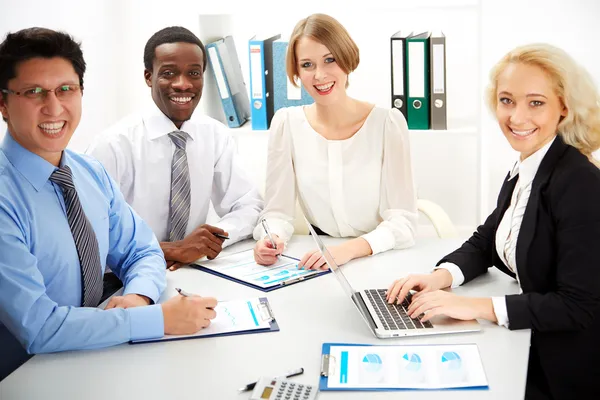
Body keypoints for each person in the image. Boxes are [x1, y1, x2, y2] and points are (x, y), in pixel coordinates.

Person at [0, 28, 217, 381]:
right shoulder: (4, 198)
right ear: (3, 102)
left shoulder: (89, 173)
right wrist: (157, 319)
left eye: (66, 90)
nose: (53, 107)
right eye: (33, 92)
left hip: (97, 357)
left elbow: (143, 251)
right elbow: (38, 327)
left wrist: (138, 297)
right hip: (24, 374)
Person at [387, 43, 600, 399]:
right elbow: (489, 239)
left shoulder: (579, 183)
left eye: (536, 102)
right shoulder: (528, 165)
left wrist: (473, 307)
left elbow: (579, 305)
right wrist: (440, 277)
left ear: (564, 107)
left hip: (562, 369)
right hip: (526, 340)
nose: (516, 117)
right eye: (506, 100)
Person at [87, 26, 263, 272]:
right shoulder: (113, 145)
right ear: (149, 77)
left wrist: (208, 242)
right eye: (169, 73)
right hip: (121, 275)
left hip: (192, 269)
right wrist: (167, 249)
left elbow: (248, 205)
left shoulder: (215, 135)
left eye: (194, 73)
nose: (183, 85)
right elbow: (88, 235)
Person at [252, 14, 418, 268]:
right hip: (317, 257)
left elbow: (403, 222)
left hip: (379, 254)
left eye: (329, 60)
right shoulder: (286, 124)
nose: (319, 75)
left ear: (347, 60)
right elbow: (277, 212)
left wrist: (348, 250)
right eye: (307, 65)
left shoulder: (387, 123)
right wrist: (270, 237)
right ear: (297, 71)